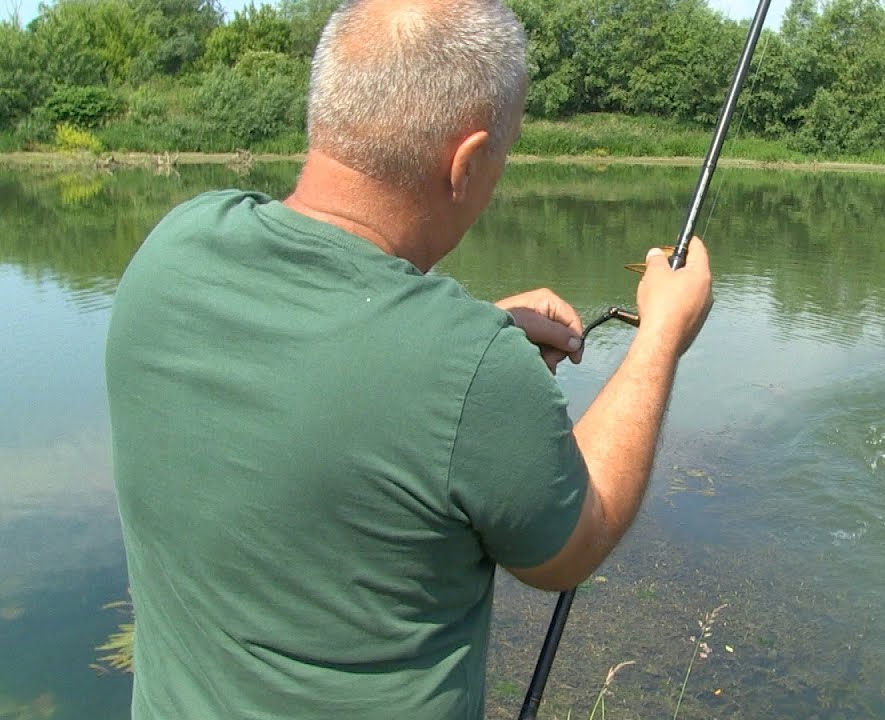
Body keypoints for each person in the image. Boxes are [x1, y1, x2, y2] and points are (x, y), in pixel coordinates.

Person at [103, 0, 713, 717]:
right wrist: (661, 337)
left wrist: (465, 339)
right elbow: (575, 544)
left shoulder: (172, 249)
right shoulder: (465, 368)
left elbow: (324, 348)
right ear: (467, 162)